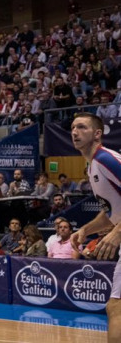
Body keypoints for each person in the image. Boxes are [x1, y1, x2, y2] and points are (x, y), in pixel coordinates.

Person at [69, 112, 121, 342]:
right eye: (72, 128)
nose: (74, 132)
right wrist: (85, 230)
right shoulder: (92, 167)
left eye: (81, 127)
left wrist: (117, 232)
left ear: (97, 134)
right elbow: (112, 210)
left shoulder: (106, 160)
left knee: (116, 307)